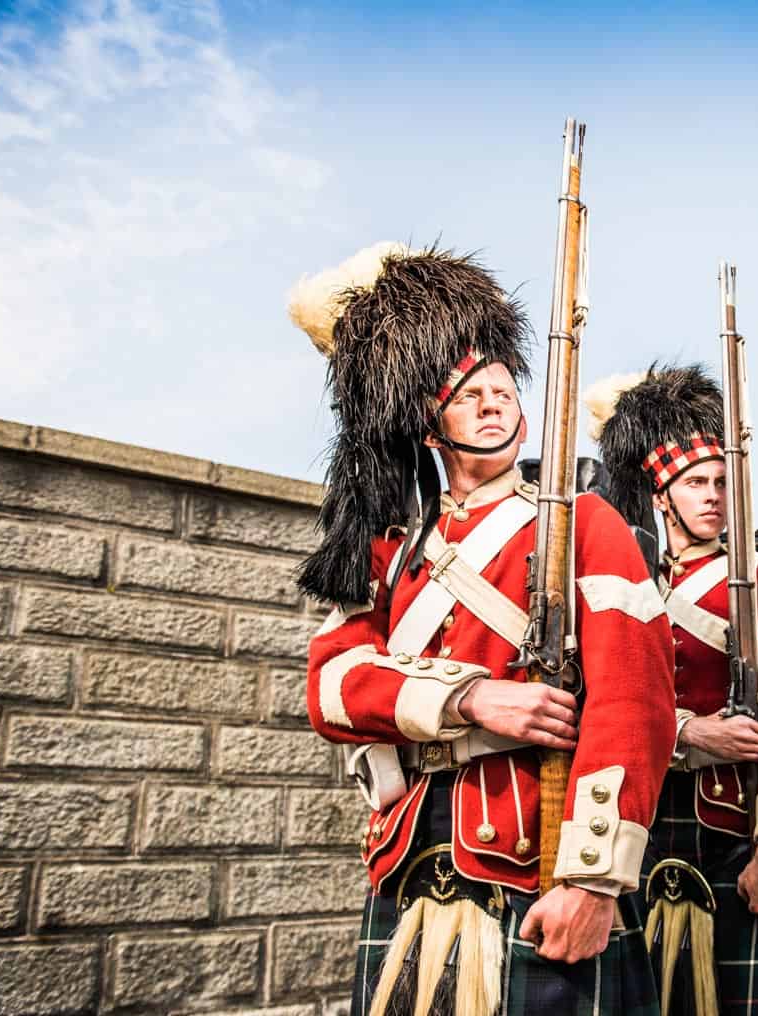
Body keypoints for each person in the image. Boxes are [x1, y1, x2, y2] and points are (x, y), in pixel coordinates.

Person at [290, 242, 676, 1016]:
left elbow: (635, 704)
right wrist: (470, 699)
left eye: (502, 389)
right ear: (429, 427)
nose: (494, 403)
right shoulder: (391, 549)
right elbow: (331, 688)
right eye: (469, 395)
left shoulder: (583, 523)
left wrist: (593, 880)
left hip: (541, 857)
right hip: (412, 853)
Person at [585, 365, 758, 1016]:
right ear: (661, 494)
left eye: (723, 483)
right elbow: (591, 696)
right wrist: (685, 732)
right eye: (695, 482)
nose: (712, 495)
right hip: (628, 836)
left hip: (733, 839)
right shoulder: (617, 578)